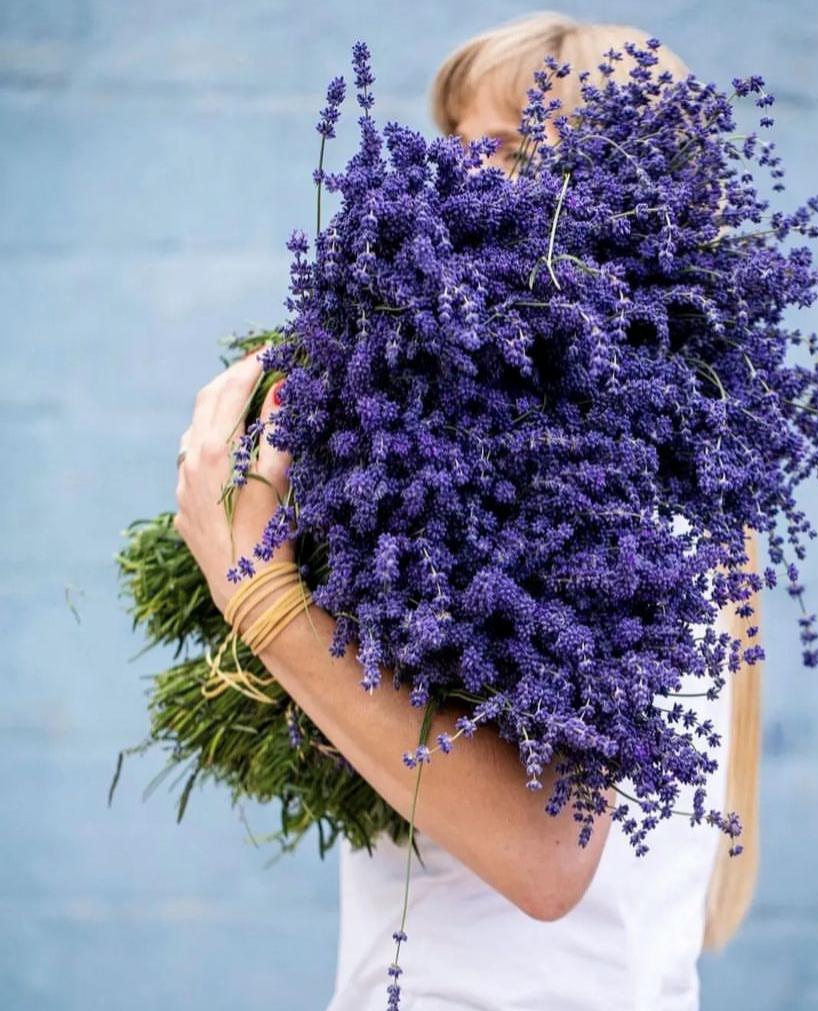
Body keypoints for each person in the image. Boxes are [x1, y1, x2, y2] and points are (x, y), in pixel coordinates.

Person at [173, 12, 763, 1010]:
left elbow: (548, 860)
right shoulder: (548, 452)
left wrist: (262, 594)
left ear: (621, 203)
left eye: (504, 149)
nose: (448, 182)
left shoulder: (607, 471)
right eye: (450, 144)